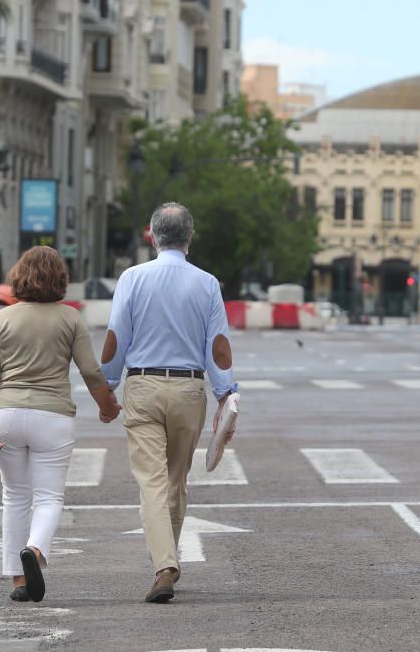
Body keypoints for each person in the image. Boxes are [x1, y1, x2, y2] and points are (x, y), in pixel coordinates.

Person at [0, 246, 121, 603]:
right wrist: (108, 407)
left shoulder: (1, 320)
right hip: (52, 417)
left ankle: (19, 581)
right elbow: (90, 373)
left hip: (4, 416)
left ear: (18, 276)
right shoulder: (70, 319)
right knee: (49, 497)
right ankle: (34, 551)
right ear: (60, 280)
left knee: (15, 497)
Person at [101, 202, 238, 604]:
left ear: (151, 235)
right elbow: (218, 347)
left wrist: (108, 387)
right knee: (176, 482)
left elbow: (116, 337)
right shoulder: (208, 283)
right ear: (190, 237)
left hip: (142, 387)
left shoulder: (132, 278)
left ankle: (164, 565)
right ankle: (168, 561)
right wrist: (225, 396)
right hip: (189, 390)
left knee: (152, 482)